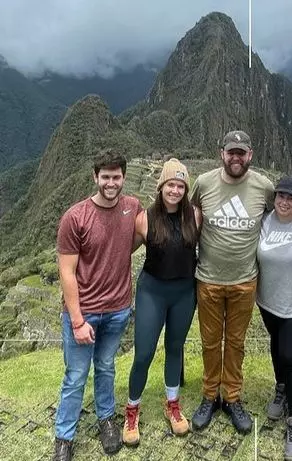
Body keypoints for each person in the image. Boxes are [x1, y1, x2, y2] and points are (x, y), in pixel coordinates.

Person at [53, 149, 142, 461]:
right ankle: (64, 436)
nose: (111, 183)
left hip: (118, 309)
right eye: (105, 177)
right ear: (95, 177)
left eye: (116, 177)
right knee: (75, 375)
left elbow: (135, 241)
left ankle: (106, 420)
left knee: (106, 367)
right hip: (85, 312)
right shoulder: (75, 217)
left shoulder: (132, 207)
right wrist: (77, 321)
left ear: (124, 178)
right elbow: (66, 271)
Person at [189, 130, 274, 434]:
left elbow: (282, 216)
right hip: (208, 280)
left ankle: (233, 397)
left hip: (244, 281)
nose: (236, 158)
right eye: (231, 152)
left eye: (242, 152)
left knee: (236, 343)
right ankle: (210, 396)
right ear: (221, 153)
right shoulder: (203, 184)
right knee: (211, 343)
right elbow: (191, 216)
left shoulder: (264, 187)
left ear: (250, 155)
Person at [122, 158, 199, 445]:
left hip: (183, 293)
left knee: (175, 348)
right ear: (161, 186)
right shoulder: (144, 218)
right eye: (171, 184)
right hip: (152, 291)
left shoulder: (195, 217)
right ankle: (132, 409)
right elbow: (122, 252)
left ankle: (173, 404)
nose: (175, 190)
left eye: (180, 185)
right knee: (143, 353)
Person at [256, 176, 292, 461]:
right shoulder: (265, 221)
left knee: (289, 356)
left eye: (291, 198)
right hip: (268, 303)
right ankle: (280, 388)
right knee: (277, 348)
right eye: (281, 196)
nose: (285, 202)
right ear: (275, 197)